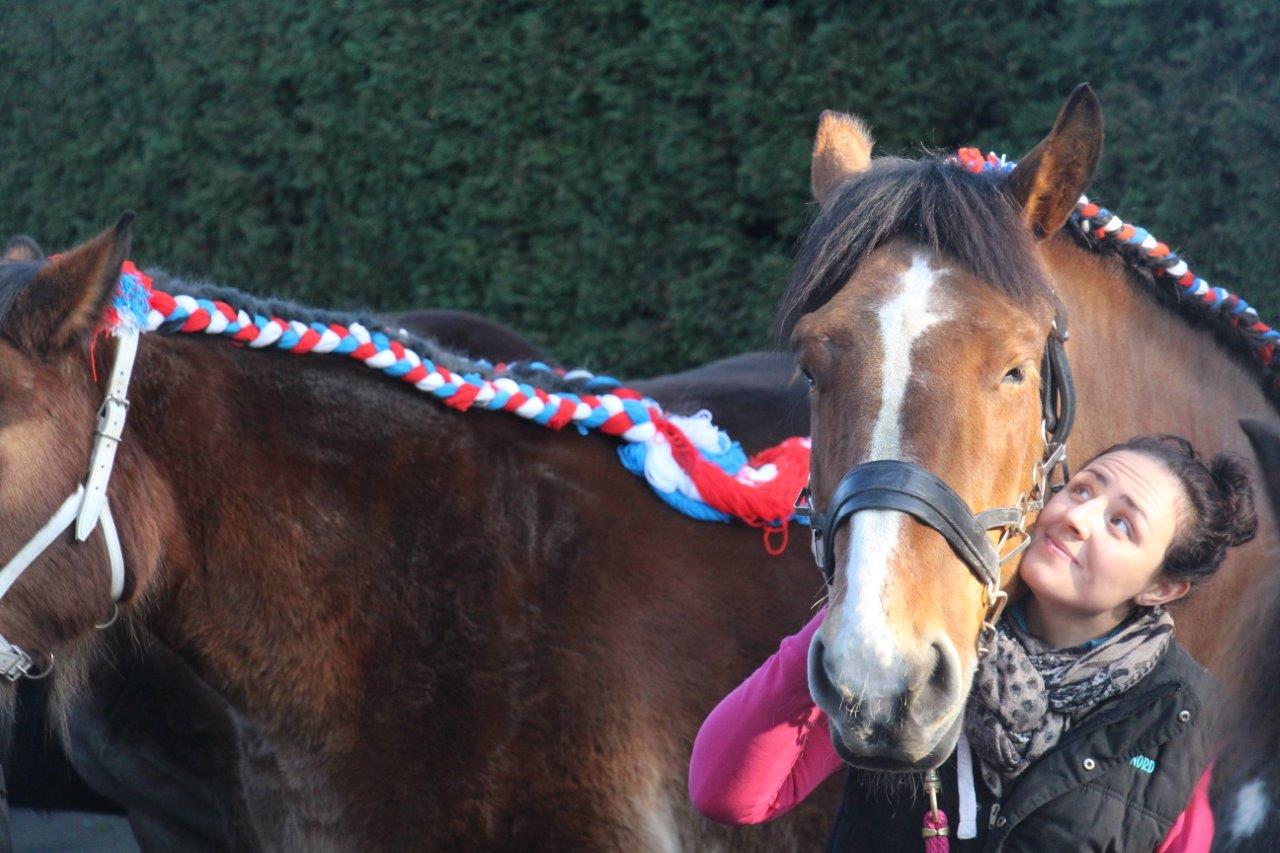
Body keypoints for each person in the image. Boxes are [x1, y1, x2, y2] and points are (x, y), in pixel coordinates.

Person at [690, 435, 1256, 851]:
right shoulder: (926, 638)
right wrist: (854, 615)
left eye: (1121, 524)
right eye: (1082, 489)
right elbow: (728, 795)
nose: (1078, 518)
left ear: (1162, 586)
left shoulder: (1191, 723)